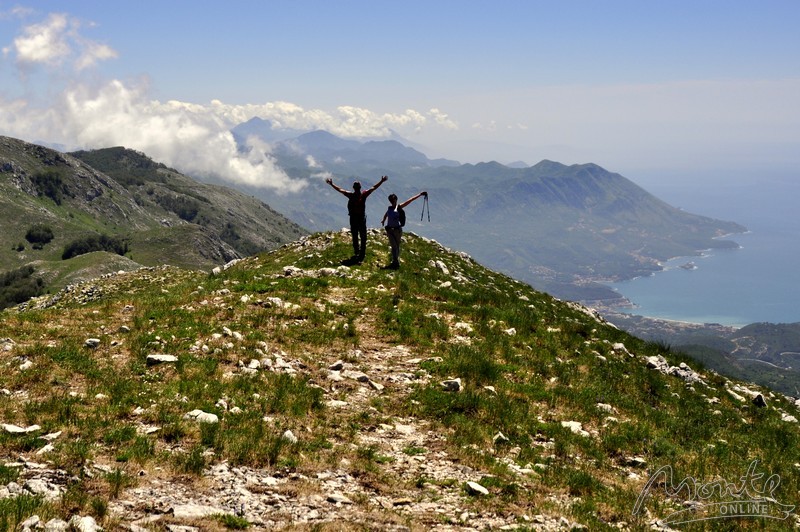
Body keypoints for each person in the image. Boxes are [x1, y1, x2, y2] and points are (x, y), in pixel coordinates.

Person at [325, 175, 388, 261]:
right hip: (361, 219)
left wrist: (332, 184)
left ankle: (357, 252)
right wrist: (381, 181)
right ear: (360, 188)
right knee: (363, 236)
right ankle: (362, 253)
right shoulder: (364, 194)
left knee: (355, 236)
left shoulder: (351, 195)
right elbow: (373, 188)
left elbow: (340, 190)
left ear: (353, 188)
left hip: (353, 218)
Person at [381, 191, 427, 269]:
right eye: (391, 200)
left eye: (393, 200)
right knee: (394, 246)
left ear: (396, 200)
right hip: (389, 230)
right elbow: (387, 213)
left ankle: (395, 262)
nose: (392, 201)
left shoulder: (399, 207)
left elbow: (410, 200)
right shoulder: (390, 208)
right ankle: (395, 261)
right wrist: (383, 220)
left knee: (396, 246)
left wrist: (419, 194)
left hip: (397, 230)